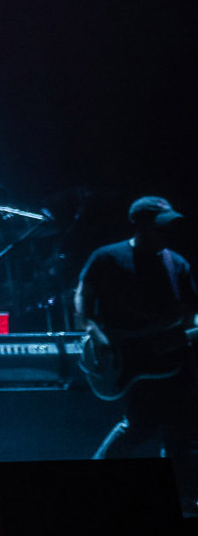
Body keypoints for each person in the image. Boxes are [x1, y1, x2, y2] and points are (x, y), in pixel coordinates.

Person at [76, 197, 197, 490]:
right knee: (140, 425)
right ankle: (91, 485)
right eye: (159, 228)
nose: (165, 234)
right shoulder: (107, 257)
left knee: (179, 431)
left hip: (171, 358)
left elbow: (191, 311)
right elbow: (82, 296)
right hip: (126, 356)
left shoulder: (176, 263)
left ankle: (179, 497)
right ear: (140, 226)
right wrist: (94, 331)